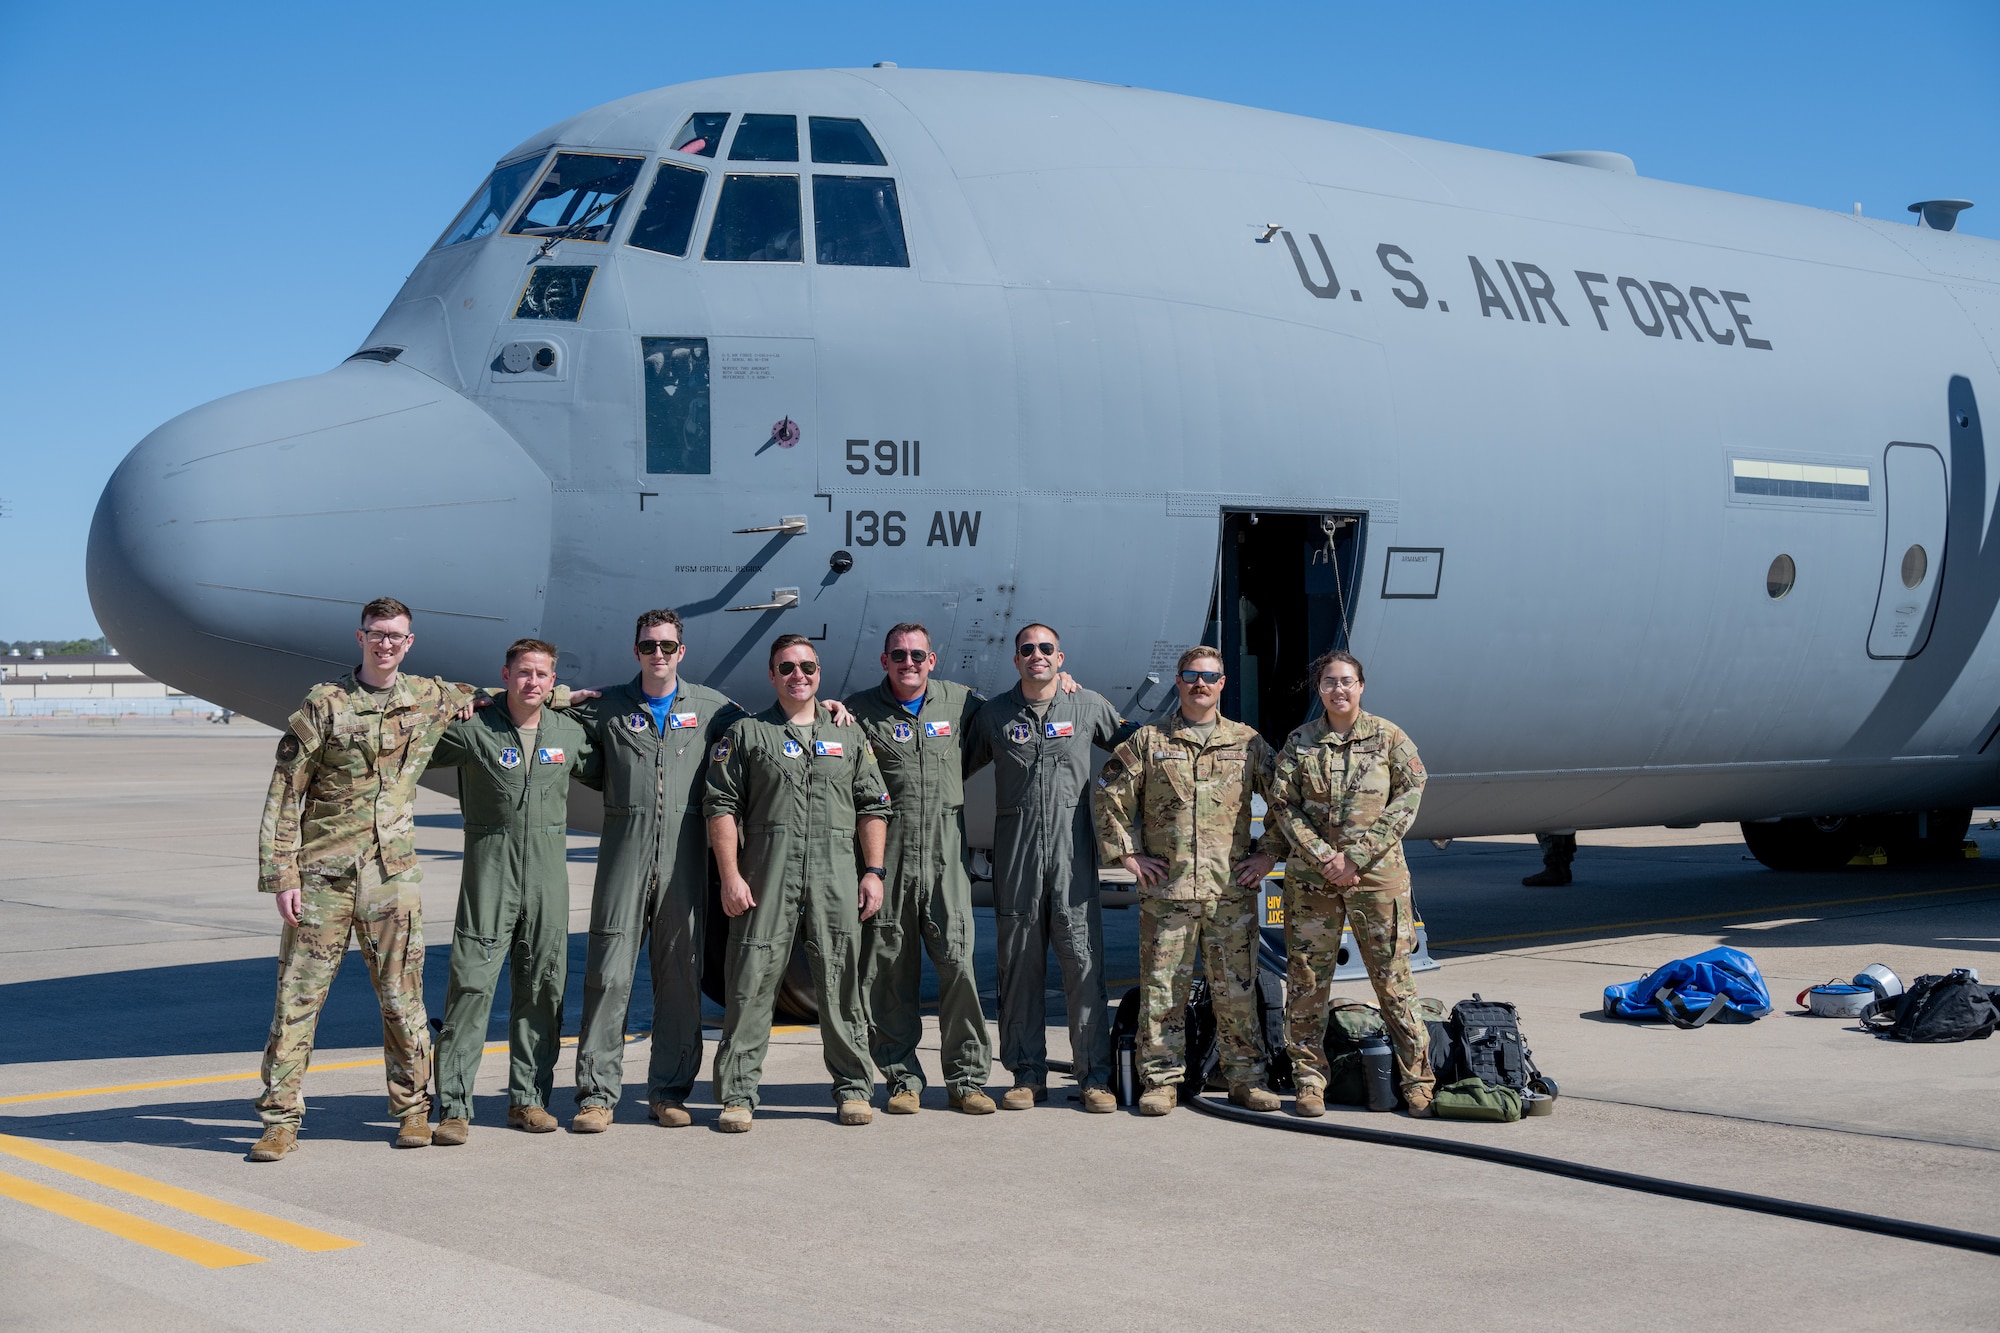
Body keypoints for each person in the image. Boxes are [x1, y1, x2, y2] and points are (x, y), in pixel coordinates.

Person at [250, 598, 485, 1159]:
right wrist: (282, 876)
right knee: (298, 1000)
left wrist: (563, 694)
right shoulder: (325, 705)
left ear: (409, 643)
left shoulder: (427, 696)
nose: (386, 644)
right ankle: (280, 1119)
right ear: (360, 638)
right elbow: (286, 793)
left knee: (402, 997)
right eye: (377, 634)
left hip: (392, 877)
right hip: (325, 876)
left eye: (396, 636)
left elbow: (503, 696)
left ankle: (411, 1111)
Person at [557, 609, 743, 1133]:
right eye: (647, 646)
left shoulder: (713, 709)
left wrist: (831, 711)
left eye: (666, 646)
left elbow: (771, 727)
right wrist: (560, 697)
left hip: (685, 856)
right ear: (634, 651)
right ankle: (596, 1096)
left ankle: (668, 1091)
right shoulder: (608, 706)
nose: (657, 654)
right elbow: (541, 715)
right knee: (608, 976)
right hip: (625, 853)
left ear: (681, 651)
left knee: (681, 977)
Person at [705, 635, 891, 1131]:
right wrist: (729, 876)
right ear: (772, 675)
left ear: (819, 672)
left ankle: (853, 1088)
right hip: (767, 871)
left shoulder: (849, 735)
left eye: (807, 666)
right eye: (786, 667)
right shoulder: (747, 733)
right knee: (750, 982)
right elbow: (721, 805)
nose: (798, 675)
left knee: (841, 982)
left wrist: (872, 871)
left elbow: (873, 805)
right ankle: (738, 1096)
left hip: (835, 872)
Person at [425, 639, 598, 1144]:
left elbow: (618, 762)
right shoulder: (473, 727)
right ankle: (455, 1107)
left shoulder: (568, 730)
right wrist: (454, 703)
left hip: (548, 874)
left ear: (553, 681)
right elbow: (412, 744)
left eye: (543, 675)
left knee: (544, 986)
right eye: (524, 673)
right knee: (472, 985)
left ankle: (529, 1100)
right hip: (489, 872)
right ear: (505, 674)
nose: (533, 683)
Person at [1094, 647, 1280, 1116]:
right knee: (1162, 991)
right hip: (1168, 893)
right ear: (1178, 682)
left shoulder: (1248, 742)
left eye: (1209, 676)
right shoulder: (1149, 742)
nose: (1200, 684)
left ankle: (1246, 1078)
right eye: (1191, 675)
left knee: (1236, 990)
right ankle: (1160, 1080)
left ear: (1222, 684)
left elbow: (1287, 802)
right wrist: (1127, 853)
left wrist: (1267, 855)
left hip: (1229, 893)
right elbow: (1107, 795)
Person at [966, 624, 1139, 1112]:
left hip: (1073, 857)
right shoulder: (994, 715)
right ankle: (1027, 1075)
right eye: (1028, 650)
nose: (1036, 656)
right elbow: (945, 765)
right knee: (1019, 967)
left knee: (1084, 965)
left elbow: (1137, 748)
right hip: (1017, 858)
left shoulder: (1087, 706)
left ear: (1059, 658)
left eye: (1045, 649)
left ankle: (1094, 1077)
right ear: (1016, 659)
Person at [1263, 648, 1434, 1117]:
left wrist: (1355, 857)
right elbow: (1284, 807)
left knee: (1394, 981)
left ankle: (1418, 1081)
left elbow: (1409, 795)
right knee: (1306, 982)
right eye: (1329, 682)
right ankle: (1309, 1081)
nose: (1339, 689)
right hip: (1314, 881)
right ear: (1319, 690)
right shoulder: (1300, 742)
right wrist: (1324, 858)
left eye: (1347, 681)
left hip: (1378, 877)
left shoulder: (1388, 738)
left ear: (1361, 686)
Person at [845, 623, 995, 1115]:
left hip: (945, 851)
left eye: (918, 655)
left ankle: (967, 1079)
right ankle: (902, 1078)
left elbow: (1006, 718)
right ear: (884, 661)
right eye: (899, 655)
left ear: (933, 660)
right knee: (889, 969)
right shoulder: (859, 711)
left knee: (958, 964)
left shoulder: (960, 701)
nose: (909, 663)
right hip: (889, 850)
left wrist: (1063, 685)